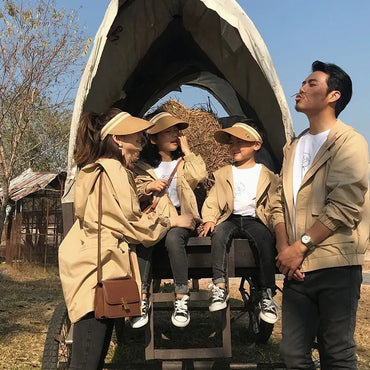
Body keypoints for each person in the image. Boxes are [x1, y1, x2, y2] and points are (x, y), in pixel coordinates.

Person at [58, 108, 195, 370]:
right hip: (98, 271)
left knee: (90, 357)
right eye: (137, 137)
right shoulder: (113, 169)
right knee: (87, 361)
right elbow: (131, 223)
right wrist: (171, 221)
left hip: (90, 265)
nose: (141, 142)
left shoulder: (95, 168)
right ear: (118, 139)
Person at [271, 61, 370, 369]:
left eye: (312, 83)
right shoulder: (294, 146)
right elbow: (277, 201)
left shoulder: (349, 142)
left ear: (333, 96)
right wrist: (283, 249)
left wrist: (298, 248)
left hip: (335, 264)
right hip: (296, 266)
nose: (301, 88)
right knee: (292, 354)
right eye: (302, 82)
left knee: (337, 352)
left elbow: (344, 204)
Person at [132, 111, 207, 328]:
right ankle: (142, 299)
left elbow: (200, 175)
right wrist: (148, 186)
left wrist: (188, 152)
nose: (175, 135)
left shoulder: (184, 162)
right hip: (154, 218)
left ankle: (182, 298)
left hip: (180, 217)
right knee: (144, 241)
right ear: (153, 139)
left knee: (174, 239)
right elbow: (132, 189)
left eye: (177, 130)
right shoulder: (141, 166)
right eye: (168, 131)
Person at [199, 122, 279, 324]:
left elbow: (274, 205)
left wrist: (277, 227)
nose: (234, 147)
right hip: (230, 217)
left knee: (264, 240)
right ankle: (219, 286)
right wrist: (209, 217)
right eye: (232, 143)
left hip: (255, 218)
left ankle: (266, 293)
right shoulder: (224, 173)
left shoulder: (267, 175)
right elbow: (214, 199)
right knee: (219, 234)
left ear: (256, 145)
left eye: (241, 143)